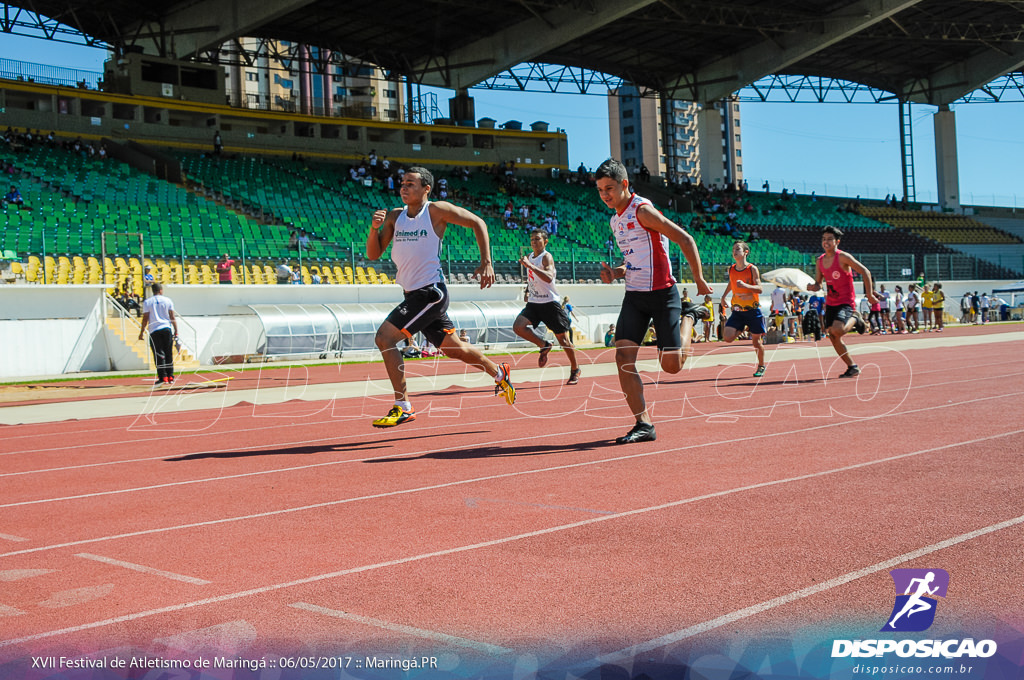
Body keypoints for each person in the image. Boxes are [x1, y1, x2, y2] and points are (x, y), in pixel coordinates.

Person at [366, 166, 515, 428]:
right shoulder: (394, 217)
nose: (403, 187)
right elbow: (374, 254)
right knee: (455, 350)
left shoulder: (436, 211)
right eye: (402, 183)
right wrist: (373, 229)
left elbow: (478, 222)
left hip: (430, 293)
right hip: (413, 294)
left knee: (384, 337)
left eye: (410, 183)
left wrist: (487, 262)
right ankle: (498, 372)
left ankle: (403, 406)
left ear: (426, 189)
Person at [595, 158, 712, 444]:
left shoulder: (643, 211)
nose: (605, 195)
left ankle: (690, 317)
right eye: (600, 190)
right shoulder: (615, 220)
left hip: (662, 294)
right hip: (635, 296)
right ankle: (643, 424)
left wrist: (698, 279)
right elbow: (633, 259)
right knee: (623, 358)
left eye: (609, 188)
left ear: (624, 184)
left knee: (671, 366)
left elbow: (686, 240)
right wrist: (616, 272)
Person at [806, 225, 876, 378]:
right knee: (833, 335)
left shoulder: (843, 257)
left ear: (837, 241)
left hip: (845, 302)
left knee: (838, 330)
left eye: (830, 239)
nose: (826, 242)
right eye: (824, 239)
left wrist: (869, 294)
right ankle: (852, 366)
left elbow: (865, 271)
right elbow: (819, 283)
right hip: (831, 303)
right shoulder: (820, 261)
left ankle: (856, 318)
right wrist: (813, 286)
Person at [513, 229, 581, 385]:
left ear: (545, 241)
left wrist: (530, 266)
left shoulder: (546, 257)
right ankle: (544, 345)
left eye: (537, 239)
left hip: (549, 303)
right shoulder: (529, 257)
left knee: (563, 340)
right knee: (518, 326)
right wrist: (528, 290)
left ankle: (575, 368)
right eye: (532, 239)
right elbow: (533, 278)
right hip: (534, 303)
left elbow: (549, 278)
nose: (533, 242)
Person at [720, 241, 766, 377]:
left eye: (738, 249)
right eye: (733, 249)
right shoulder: (731, 269)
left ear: (746, 252)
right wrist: (723, 296)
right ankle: (743, 328)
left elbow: (760, 288)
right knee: (727, 337)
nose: (734, 251)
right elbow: (731, 282)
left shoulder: (752, 269)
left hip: (753, 310)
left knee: (757, 343)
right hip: (738, 311)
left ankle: (761, 366)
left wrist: (746, 286)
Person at [137, 283, 179, 386]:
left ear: (153, 290)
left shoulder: (147, 302)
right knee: (168, 352)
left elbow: (145, 318)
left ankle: (162, 377)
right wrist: (176, 330)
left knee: (159, 354)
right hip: (166, 328)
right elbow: (172, 316)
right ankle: (170, 376)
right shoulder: (168, 300)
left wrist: (142, 332)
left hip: (154, 330)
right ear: (161, 290)